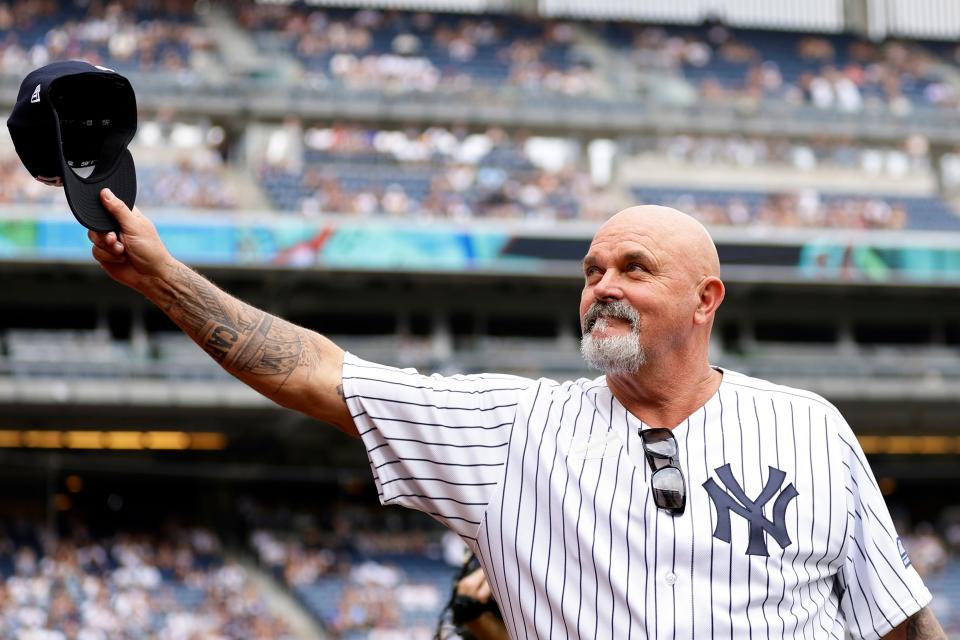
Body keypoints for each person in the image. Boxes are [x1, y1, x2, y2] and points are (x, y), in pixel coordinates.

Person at [87, 189, 944, 639]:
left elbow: (899, 625)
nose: (602, 286)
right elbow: (316, 372)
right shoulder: (512, 428)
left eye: (634, 268)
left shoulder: (810, 428)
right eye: (591, 270)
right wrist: (161, 275)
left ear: (704, 299)